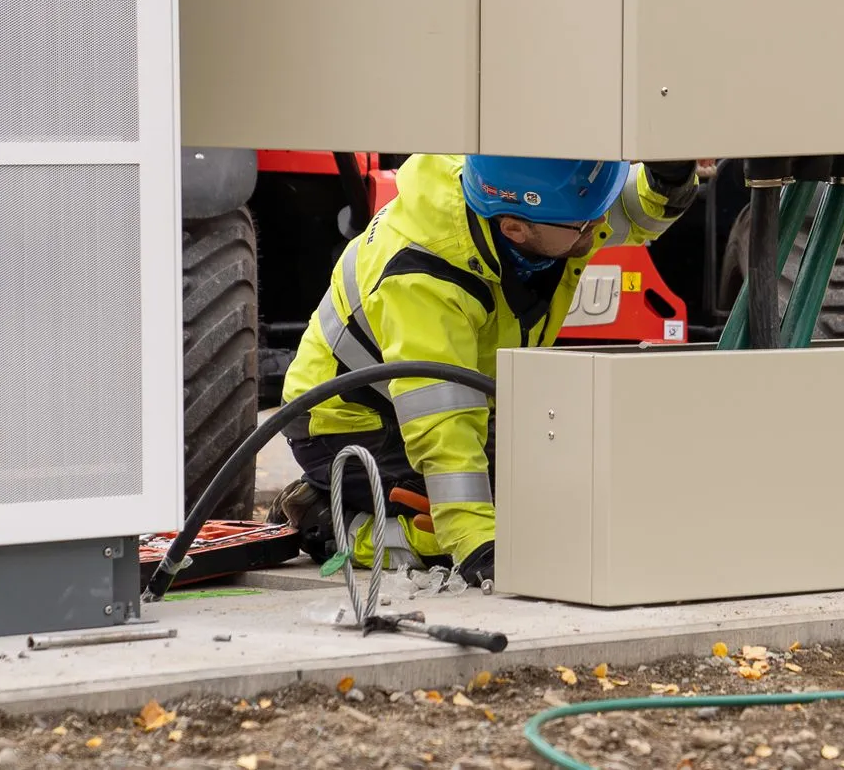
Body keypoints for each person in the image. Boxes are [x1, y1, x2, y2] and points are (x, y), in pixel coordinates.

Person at [273, 153, 699, 587]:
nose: (598, 228)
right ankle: (331, 525)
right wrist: (480, 545)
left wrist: (669, 179)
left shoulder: (536, 208)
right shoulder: (425, 277)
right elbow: (443, 427)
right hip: (347, 423)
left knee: (562, 499)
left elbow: (626, 210)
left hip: (442, 402)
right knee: (511, 525)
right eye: (584, 225)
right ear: (514, 229)